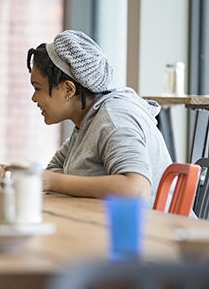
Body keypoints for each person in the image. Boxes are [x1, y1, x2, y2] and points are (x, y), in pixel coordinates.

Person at [27, 30, 172, 205]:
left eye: (37, 88)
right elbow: (54, 170)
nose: (34, 98)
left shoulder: (114, 119)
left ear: (68, 89)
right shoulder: (86, 122)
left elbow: (136, 189)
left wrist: (53, 181)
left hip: (155, 229)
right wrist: (51, 180)